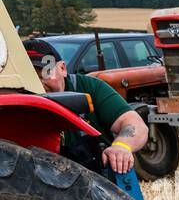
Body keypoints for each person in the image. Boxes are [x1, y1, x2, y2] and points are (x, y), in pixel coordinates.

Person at [23, 37, 148, 176]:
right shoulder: (18, 100)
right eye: (31, 78)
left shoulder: (91, 88)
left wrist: (121, 146)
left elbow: (135, 124)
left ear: (62, 68)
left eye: (45, 75)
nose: (39, 84)